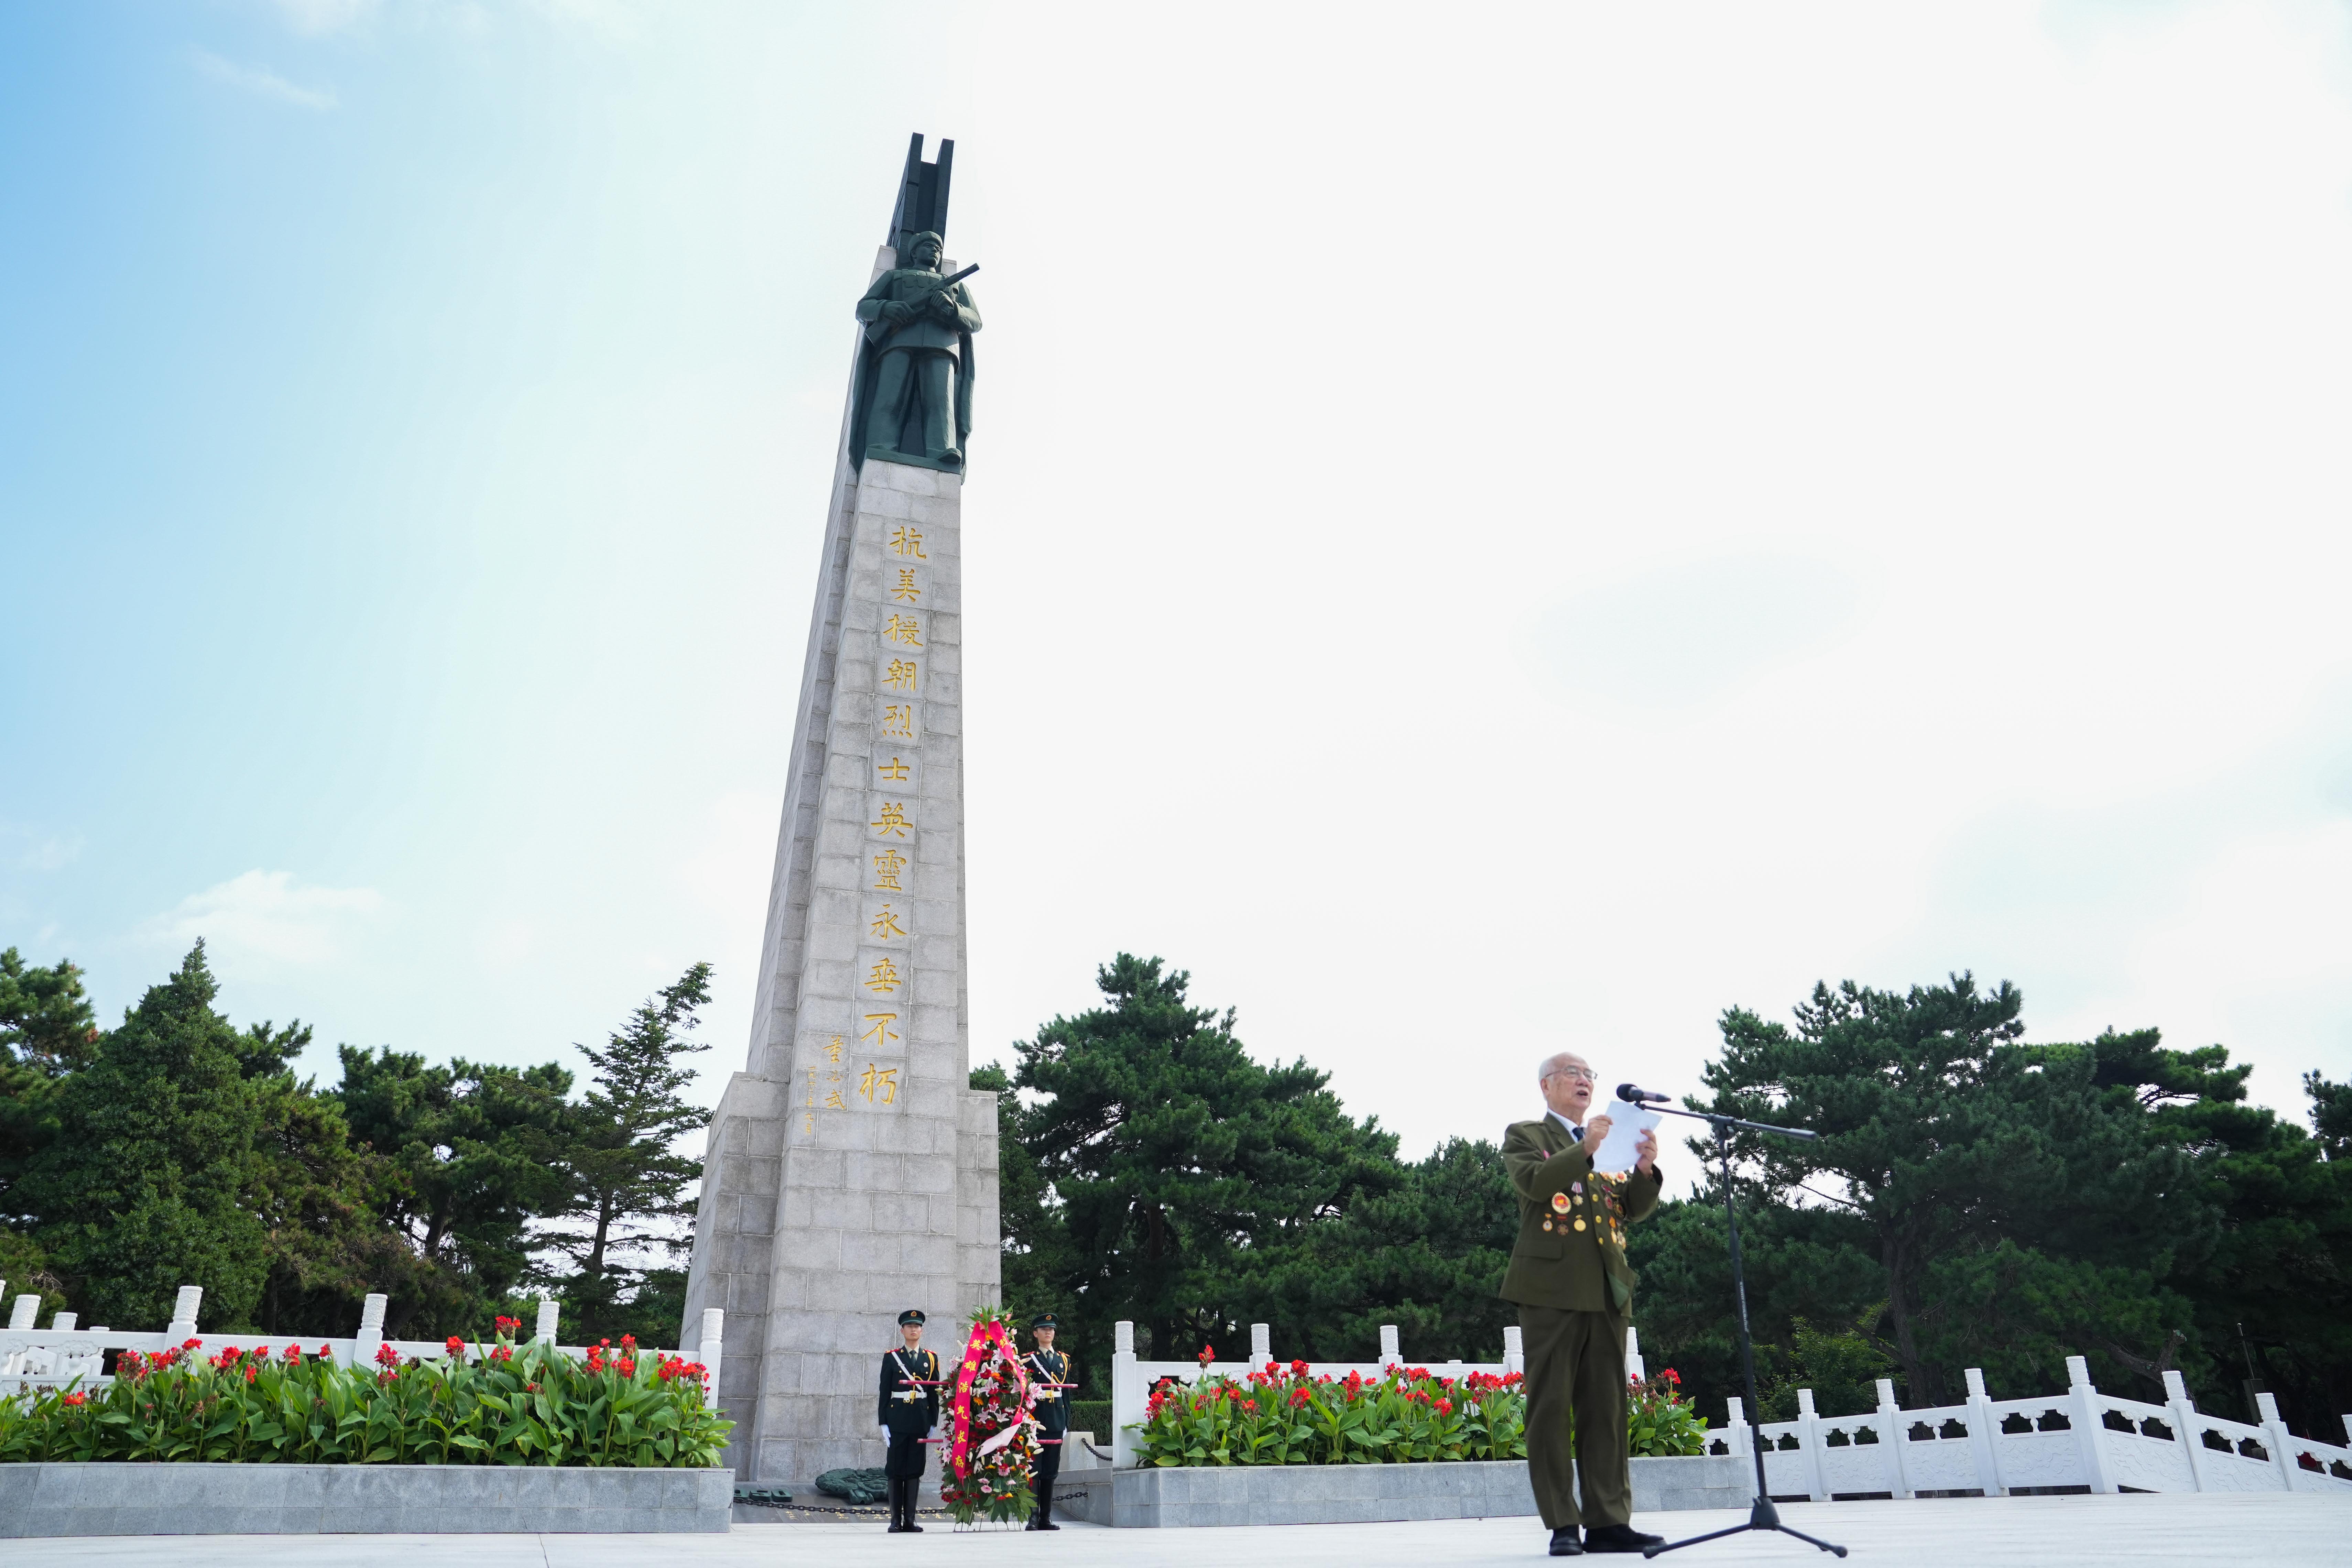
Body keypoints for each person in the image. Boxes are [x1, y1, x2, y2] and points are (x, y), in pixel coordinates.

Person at [1501, 1052, 1665, 1557]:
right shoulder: (1527, 1135)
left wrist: (1644, 1168)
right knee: (1550, 1407)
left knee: (1607, 1409)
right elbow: (1534, 1183)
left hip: (1606, 1288)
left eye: (1590, 1075)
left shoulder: (1610, 1137)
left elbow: (1632, 1211)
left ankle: (1609, 1520)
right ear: (1547, 1086)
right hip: (1550, 1289)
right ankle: (1563, 1523)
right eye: (1573, 1074)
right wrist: (1587, 1148)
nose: (1584, 1081)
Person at [851, 230, 981, 469]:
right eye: (928, 246)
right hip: (898, 342)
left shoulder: (955, 286)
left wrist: (952, 309)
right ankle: (880, 445)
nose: (934, 250)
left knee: (940, 403)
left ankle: (941, 450)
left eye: (938, 248)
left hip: (941, 345)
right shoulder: (895, 276)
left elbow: (975, 321)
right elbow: (863, 307)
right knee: (889, 398)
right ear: (914, 252)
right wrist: (887, 308)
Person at [877, 1308, 941, 1533]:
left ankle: (911, 1520)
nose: (914, 1329)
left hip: (920, 1419)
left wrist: (934, 1420)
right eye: (910, 1326)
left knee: (915, 1469)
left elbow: (934, 1393)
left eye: (917, 1326)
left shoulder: (931, 1359)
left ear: (922, 1330)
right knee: (895, 1469)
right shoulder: (892, 1357)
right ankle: (895, 1520)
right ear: (902, 1330)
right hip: (897, 1419)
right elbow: (885, 1391)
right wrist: (883, 1422)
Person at [1023, 1314, 1071, 1531]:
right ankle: (1033, 1517)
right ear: (1036, 1333)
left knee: (1051, 1470)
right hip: (1036, 1419)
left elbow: (1067, 1395)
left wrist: (1067, 1422)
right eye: (1044, 1330)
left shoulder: (1063, 1360)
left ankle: (1046, 1518)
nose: (1048, 1333)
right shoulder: (1028, 1360)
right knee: (1035, 1468)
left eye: (1051, 1329)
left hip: (1056, 1419)